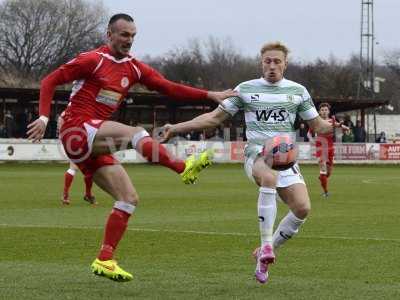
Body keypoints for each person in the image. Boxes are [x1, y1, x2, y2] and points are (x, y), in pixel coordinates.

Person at [27, 13, 236, 282]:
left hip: (91, 142)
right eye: (124, 35)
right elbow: (49, 81)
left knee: (128, 199)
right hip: (76, 129)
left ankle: (105, 259)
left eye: (133, 36)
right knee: (136, 133)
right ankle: (183, 168)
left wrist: (210, 95)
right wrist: (44, 117)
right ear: (109, 34)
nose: (129, 40)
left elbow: (168, 87)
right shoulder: (92, 60)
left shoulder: (133, 68)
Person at [162, 42, 342, 284]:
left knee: (302, 208)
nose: (272, 66)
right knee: (268, 176)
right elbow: (213, 118)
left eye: (277, 61)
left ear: (285, 64)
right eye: (267, 61)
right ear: (261, 62)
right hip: (256, 154)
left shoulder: (298, 91)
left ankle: (263, 254)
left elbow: (319, 126)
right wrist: (175, 128)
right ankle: (267, 245)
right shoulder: (245, 89)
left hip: (286, 158)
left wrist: (333, 127)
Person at [307, 103, 348, 197]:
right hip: (320, 148)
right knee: (323, 170)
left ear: (328, 111)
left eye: (326, 110)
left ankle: (322, 178)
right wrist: (311, 140)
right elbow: (309, 134)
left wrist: (345, 127)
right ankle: (325, 192)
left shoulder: (332, 121)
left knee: (328, 173)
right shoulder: (316, 122)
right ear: (319, 112)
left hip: (330, 148)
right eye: (322, 110)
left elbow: (338, 125)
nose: (324, 111)